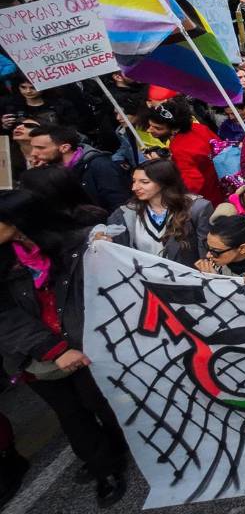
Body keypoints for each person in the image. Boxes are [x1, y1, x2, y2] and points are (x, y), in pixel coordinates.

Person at [0, 190, 129, 506]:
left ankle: (123, 447)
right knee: (71, 414)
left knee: (102, 402)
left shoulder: (76, 245)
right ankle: (104, 469)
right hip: (37, 354)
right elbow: (5, 315)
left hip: (89, 343)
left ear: (19, 221)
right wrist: (53, 349)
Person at [101, 159, 212, 266]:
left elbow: (207, 255)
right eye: (134, 181)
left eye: (144, 182)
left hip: (188, 281)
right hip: (145, 281)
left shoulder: (197, 208)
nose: (134, 187)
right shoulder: (126, 213)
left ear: (164, 182)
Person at [27, 125, 129, 212]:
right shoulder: (48, 169)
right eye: (32, 148)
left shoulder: (100, 165)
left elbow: (118, 205)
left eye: (40, 148)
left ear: (64, 148)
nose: (33, 153)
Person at [145, 97, 223, 205]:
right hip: (223, 189)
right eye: (150, 125)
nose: (149, 130)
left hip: (209, 200)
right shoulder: (199, 128)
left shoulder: (178, 149)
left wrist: (162, 167)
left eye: (158, 128)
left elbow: (192, 185)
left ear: (174, 129)